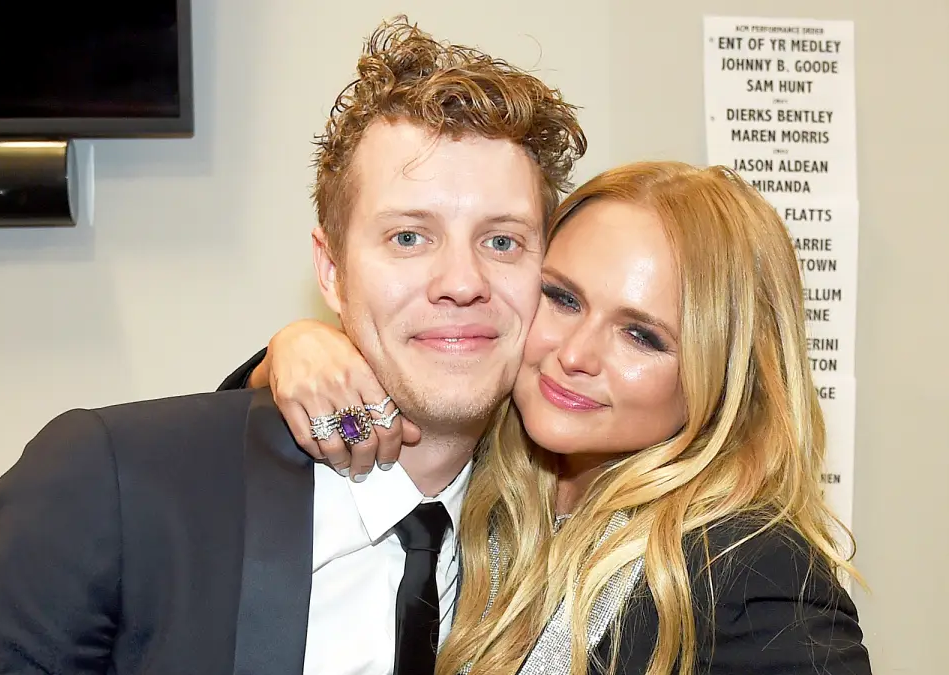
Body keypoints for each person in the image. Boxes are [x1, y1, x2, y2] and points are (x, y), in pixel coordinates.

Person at [0, 17, 586, 675]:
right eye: (409, 238)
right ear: (331, 270)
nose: (462, 283)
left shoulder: (574, 545)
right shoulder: (114, 491)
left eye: (502, 240)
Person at [223, 161, 872, 674]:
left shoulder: (756, 572)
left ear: (726, 374)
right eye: (562, 298)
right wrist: (295, 349)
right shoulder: (484, 476)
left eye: (642, 335)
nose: (575, 355)